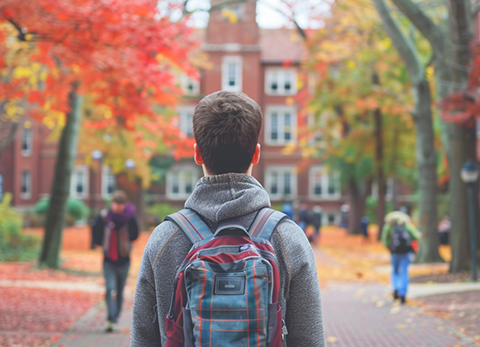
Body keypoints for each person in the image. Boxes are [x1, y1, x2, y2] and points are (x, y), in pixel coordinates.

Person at [130, 91, 325, 346]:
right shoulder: (288, 238)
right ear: (256, 154)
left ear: (197, 153)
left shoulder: (164, 239)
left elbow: (143, 338)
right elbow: (309, 339)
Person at [92, 190, 139, 332]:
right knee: (109, 289)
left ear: (124, 205)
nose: (117, 207)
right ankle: (111, 317)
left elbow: (135, 234)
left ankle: (116, 317)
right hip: (108, 261)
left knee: (119, 291)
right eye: (115, 204)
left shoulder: (130, 218)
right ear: (111, 204)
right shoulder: (105, 217)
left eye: (120, 204)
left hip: (124, 260)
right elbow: (96, 232)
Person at [381, 210, 420, 305]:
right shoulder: (406, 225)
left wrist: (390, 248)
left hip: (395, 253)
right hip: (406, 252)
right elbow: (416, 236)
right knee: (404, 271)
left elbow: (384, 240)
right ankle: (403, 293)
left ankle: (396, 288)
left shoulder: (388, 226)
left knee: (395, 271)